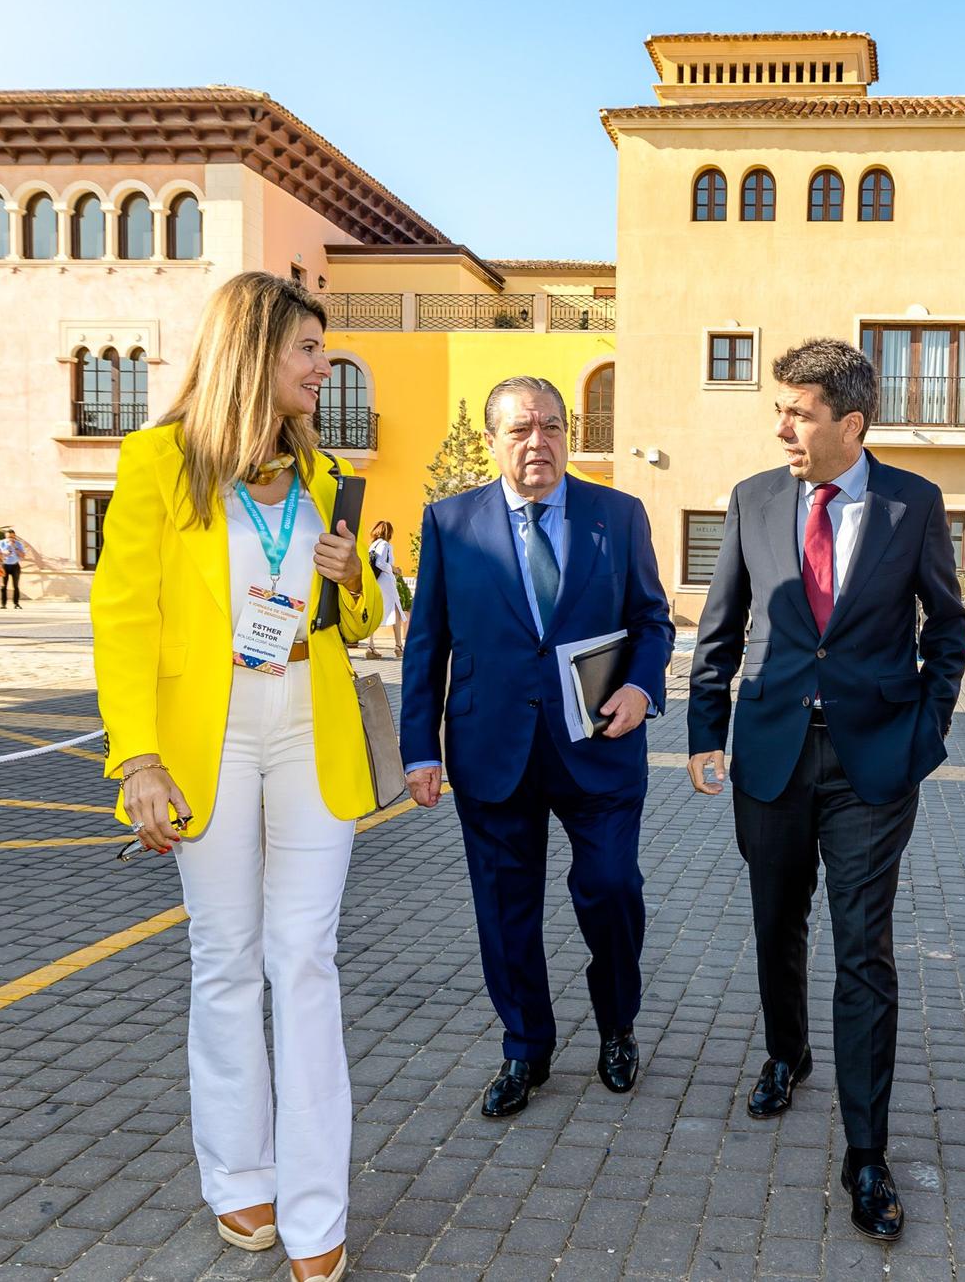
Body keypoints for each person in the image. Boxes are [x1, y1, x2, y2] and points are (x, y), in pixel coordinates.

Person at [92, 271, 382, 1282]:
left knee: (303, 957)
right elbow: (124, 619)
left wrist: (355, 583)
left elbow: (359, 622)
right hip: (205, 730)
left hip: (309, 718)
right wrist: (137, 757)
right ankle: (237, 1177)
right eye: (307, 348)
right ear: (254, 352)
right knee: (225, 958)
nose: (321, 365)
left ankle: (314, 1205)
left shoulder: (325, 473)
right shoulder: (156, 465)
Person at [687, 338, 965, 1242]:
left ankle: (867, 1153)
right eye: (780, 410)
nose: (782, 428)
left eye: (799, 413)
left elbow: (949, 625)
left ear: (850, 423)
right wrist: (703, 732)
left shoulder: (912, 504)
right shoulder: (752, 500)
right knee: (776, 923)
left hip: (870, 765)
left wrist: (928, 731)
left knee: (863, 948)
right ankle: (786, 1052)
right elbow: (719, 627)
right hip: (769, 755)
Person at [400, 375, 673, 1119]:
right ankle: (526, 1045)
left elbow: (653, 620)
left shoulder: (616, 515)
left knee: (612, 887)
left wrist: (642, 688)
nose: (538, 441)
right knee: (504, 907)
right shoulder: (452, 523)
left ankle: (617, 1023)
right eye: (520, 428)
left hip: (600, 743)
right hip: (493, 748)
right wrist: (419, 749)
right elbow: (426, 644)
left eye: (552, 425)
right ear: (492, 441)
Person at [364, 521, 406, 658]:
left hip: (375, 581)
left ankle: (371, 647)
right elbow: (380, 563)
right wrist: (394, 569)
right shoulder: (385, 545)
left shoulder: (373, 545)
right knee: (397, 610)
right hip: (385, 581)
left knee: (376, 611)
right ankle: (399, 646)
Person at [0, 528, 26, 608]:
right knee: (3, 586)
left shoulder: (18, 544)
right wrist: (4, 551)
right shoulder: (1, 543)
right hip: (4, 565)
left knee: (16, 585)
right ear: (5, 536)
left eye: (12, 537)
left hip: (15, 565)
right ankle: (3, 604)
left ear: (14, 536)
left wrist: (15, 547)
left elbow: (23, 555)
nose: (11, 539)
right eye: (9, 537)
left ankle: (16, 603)